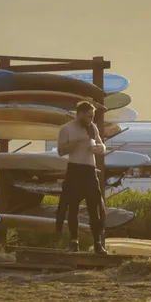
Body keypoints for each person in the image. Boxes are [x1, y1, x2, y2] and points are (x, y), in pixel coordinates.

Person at [56, 102, 107, 255]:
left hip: (90, 170)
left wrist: (100, 148)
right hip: (74, 169)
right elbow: (60, 151)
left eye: (92, 116)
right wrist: (75, 144)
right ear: (80, 114)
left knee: (94, 207)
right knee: (72, 208)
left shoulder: (93, 127)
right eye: (89, 116)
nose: (91, 119)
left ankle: (98, 244)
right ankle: (74, 242)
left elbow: (101, 144)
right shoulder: (66, 129)